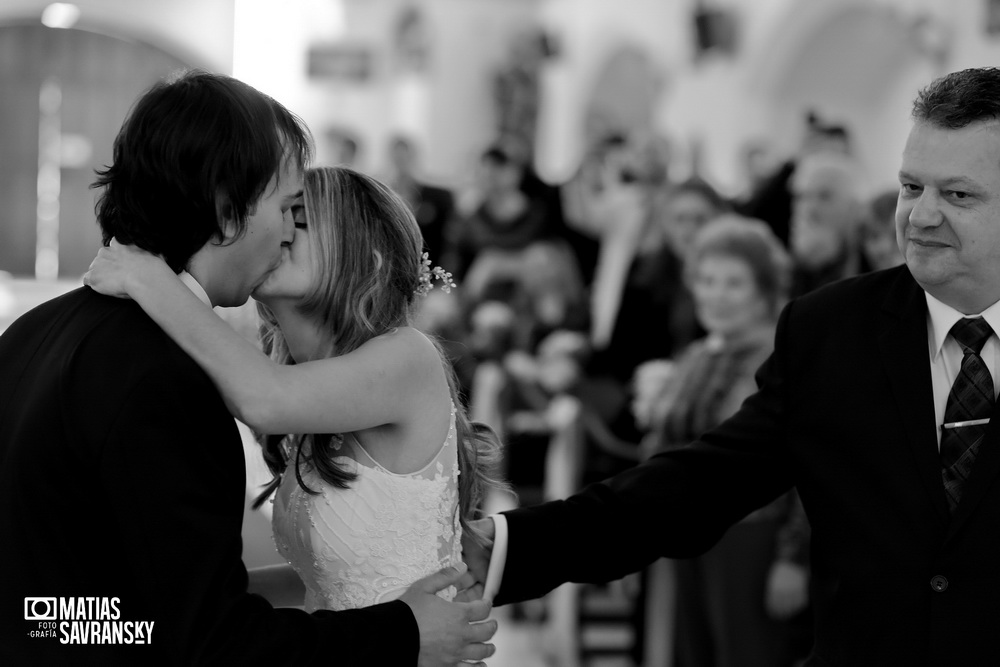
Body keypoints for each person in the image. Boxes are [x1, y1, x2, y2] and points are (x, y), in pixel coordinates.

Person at [467, 66, 1000, 665]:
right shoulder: (833, 330)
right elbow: (699, 484)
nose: (921, 216)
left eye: (958, 195)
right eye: (910, 187)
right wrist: (512, 546)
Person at [0, 70, 495, 666]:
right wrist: (400, 634)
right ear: (228, 209)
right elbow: (197, 635)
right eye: (289, 209)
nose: (287, 232)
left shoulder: (33, 332)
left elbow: (115, 609)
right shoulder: (164, 374)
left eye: (302, 218)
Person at [633, 217, 802, 667]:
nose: (715, 295)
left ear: (764, 290)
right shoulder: (699, 354)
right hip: (687, 536)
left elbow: (810, 469)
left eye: (733, 283)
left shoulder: (784, 357)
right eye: (706, 280)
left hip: (752, 538)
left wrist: (795, 558)